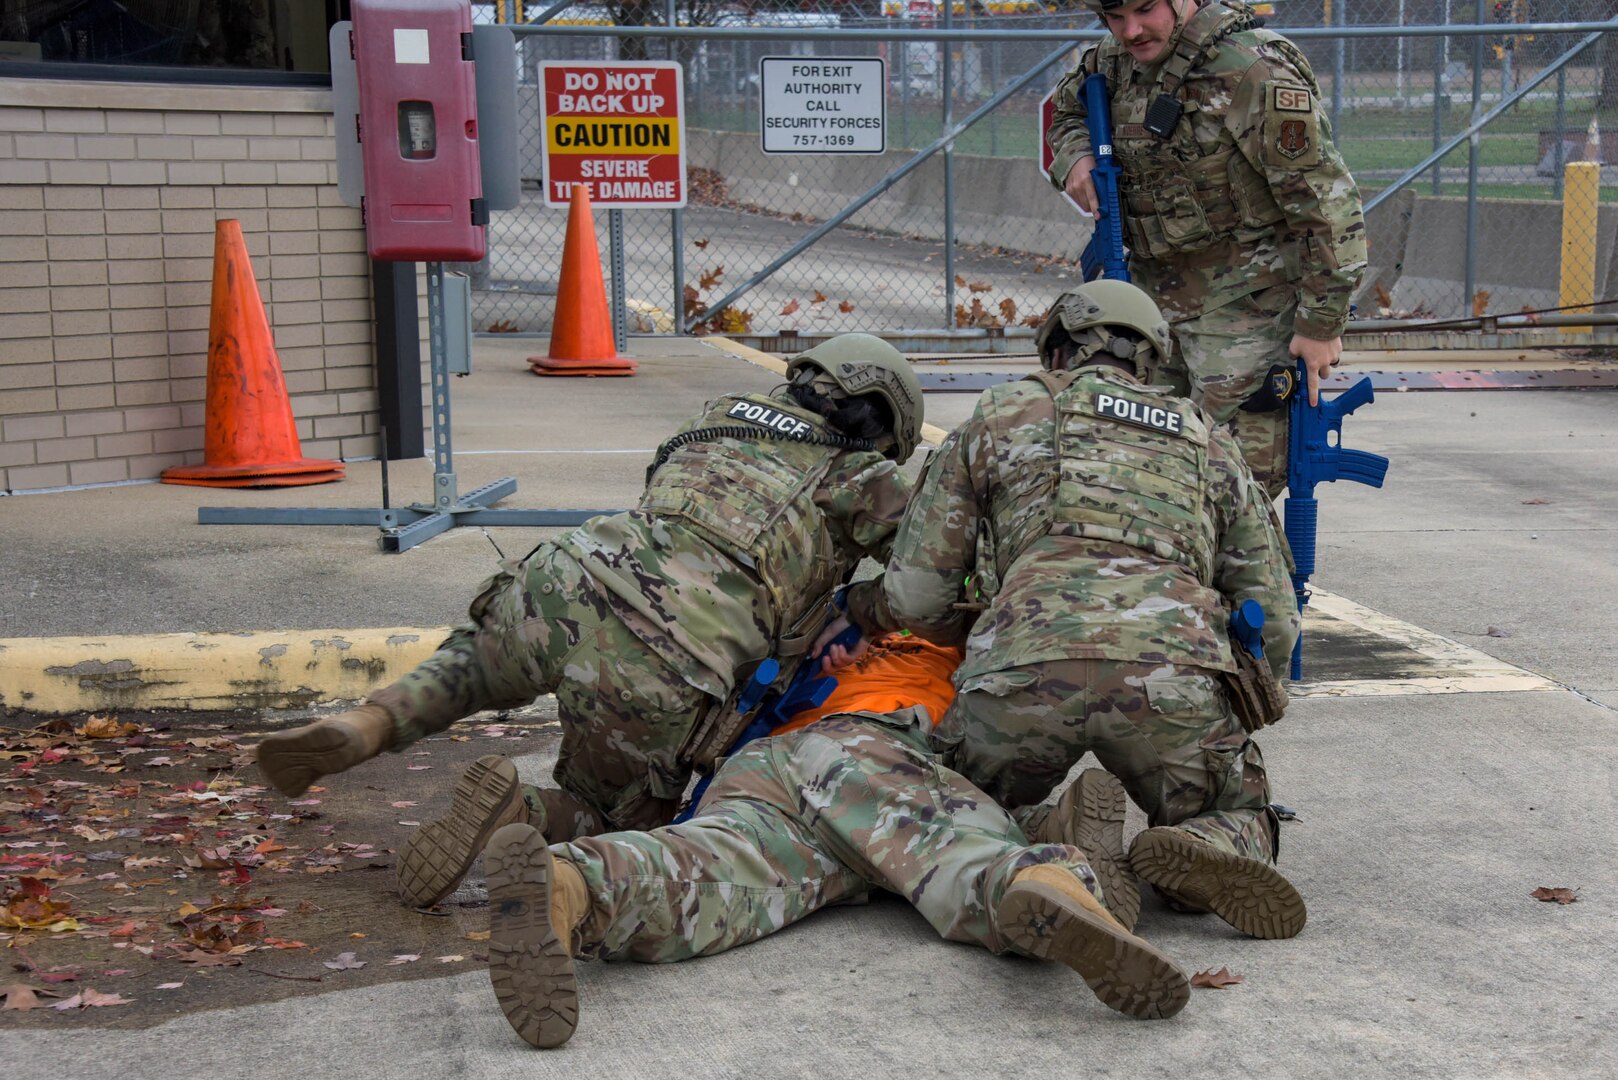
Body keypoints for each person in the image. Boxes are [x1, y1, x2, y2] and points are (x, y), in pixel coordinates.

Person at [254, 334, 924, 908]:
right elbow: (931, 577)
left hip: (567, 575)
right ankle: (523, 815)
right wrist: (861, 610)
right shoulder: (862, 477)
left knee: (473, 664)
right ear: (882, 422)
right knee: (619, 816)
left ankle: (366, 723)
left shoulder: (717, 417)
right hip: (670, 649)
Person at [832, 282, 1306, 941]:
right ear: (1148, 361)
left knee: (949, 806)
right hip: (1171, 678)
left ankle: (1046, 842)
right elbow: (1273, 610)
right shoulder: (1209, 441)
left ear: (1056, 350)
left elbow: (918, 598)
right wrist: (1255, 699)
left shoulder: (999, 417)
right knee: (1241, 806)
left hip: (1024, 672)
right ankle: (1212, 842)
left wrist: (856, 606)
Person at [472, 634, 1191, 1050]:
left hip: (755, 770)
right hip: (863, 749)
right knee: (956, 847)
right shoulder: (956, 647)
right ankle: (1041, 882)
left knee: (707, 875)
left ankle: (571, 887)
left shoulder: (820, 641)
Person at [1046, 0, 1367, 495]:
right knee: (1139, 473)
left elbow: (1327, 204)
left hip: (1245, 312)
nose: (1130, 30)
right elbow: (1067, 110)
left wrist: (1321, 323)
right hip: (1150, 308)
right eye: (1113, 17)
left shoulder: (1253, 71)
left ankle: (1253, 574)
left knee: (1231, 486)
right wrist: (1074, 157)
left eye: (1144, 9)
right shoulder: (1110, 62)